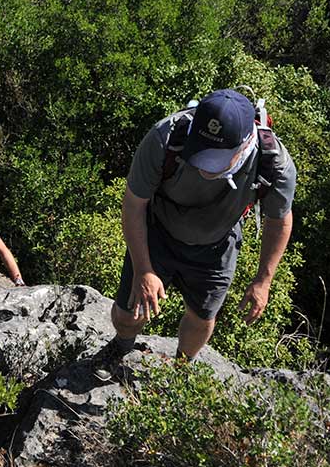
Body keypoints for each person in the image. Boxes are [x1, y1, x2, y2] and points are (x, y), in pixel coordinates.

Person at [95, 89, 296, 379]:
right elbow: (134, 203)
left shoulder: (273, 163)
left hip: (216, 246)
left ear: (245, 143)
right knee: (128, 315)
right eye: (201, 152)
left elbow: (279, 219)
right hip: (158, 233)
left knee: (202, 318)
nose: (204, 166)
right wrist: (144, 269)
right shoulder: (165, 137)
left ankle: (182, 368)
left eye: (216, 158)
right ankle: (121, 345)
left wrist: (263, 281)